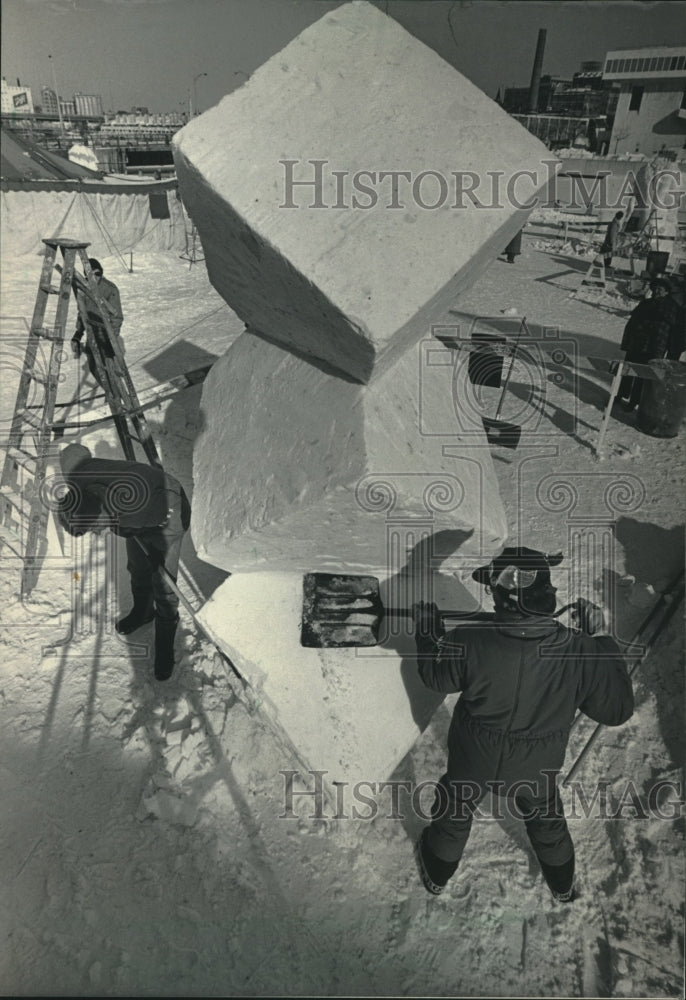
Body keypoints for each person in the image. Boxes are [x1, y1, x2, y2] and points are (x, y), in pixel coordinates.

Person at [411, 547, 633, 902]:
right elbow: (617, 709)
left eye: (493, 589)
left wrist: (427, 634)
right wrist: (602, 638)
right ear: (545, 594)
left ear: (504, 597)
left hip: (473, 761)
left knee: (454, 810)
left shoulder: (470, 641)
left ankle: (437, 874)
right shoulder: (580, 652)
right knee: (547, 824)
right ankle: (562, 886)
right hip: (535, 769)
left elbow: (436, 675)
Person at [57, 444, 191, 681]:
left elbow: (134, 527)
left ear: (102, 512)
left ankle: (164, 646)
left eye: (96, 527)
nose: (97, 534)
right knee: (138, 566)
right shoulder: (80, 484)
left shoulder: (129, 512)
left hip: (169, 510)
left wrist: (131, 533)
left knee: (165, 585)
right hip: (141, 501)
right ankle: (143, 612)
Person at [619, 276, 684, 411]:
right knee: (626, 371)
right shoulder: (646, 303)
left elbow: (675, 331)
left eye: (660, 289)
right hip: (636, 343)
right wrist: (628, 340)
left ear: (667, 292)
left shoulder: (672, 308)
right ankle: (620, 394)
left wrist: (672, 352)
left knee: (642, 375)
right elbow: (632, 322)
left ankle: (634, 401)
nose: (656, 291)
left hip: (654, 346)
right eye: (655, 289)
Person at [71, 258, 124, 387]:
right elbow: (82, 312)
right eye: (92, 274)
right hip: (92, 331)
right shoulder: (84, 288)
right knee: (94, 366)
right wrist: (78, 333)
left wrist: (112, 337)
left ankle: (118, 392)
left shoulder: (110, 289)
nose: (96, 277)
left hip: (106, 332)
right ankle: (109, 391)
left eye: (98, 273)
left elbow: (117, 317)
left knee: (109, 366)